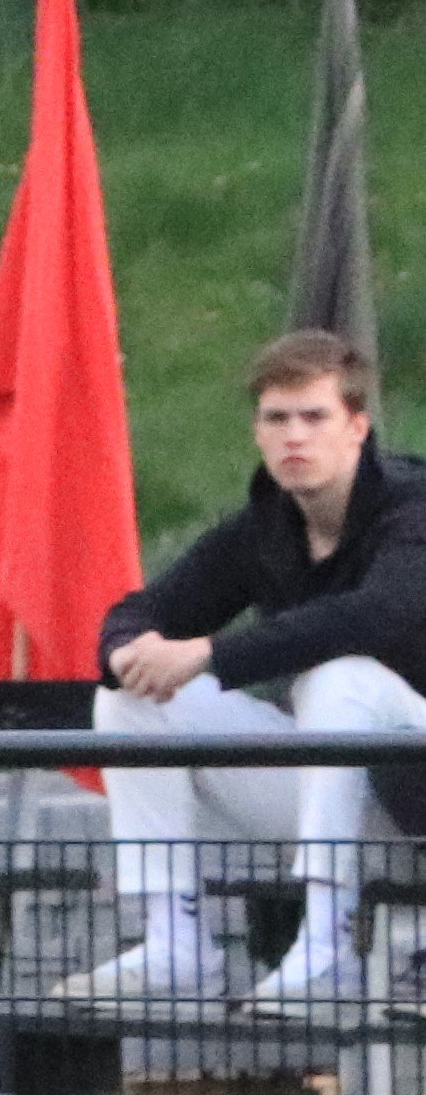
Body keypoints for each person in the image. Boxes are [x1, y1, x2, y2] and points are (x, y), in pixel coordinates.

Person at [62, 331, 426, 1010]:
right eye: (276, 418)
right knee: (132, 700)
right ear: (257, 433)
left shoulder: (413, 509)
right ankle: (174, 948)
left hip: (419, 792)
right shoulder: (264, 531)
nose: (294, 436)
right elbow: (139, 611)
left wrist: (210, 653)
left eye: (314, 417)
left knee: (339, 677)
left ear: (357, 428)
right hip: (345, 801)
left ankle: (326, 948)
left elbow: (378, 615)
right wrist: (126, 654)